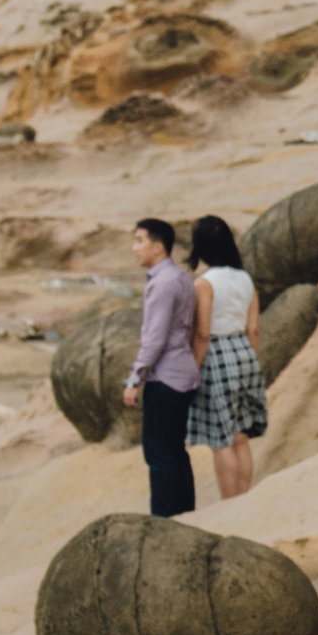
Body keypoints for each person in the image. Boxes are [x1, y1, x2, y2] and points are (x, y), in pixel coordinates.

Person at [183, 214, 268, 500]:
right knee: (241, 436)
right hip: (245, 353)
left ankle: (230, 502)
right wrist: (250, 360)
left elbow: (202, 333)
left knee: (222, 440)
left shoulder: (204, 284)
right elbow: (253, 328)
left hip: (217, 355)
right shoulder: (246, 279)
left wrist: (192, 370)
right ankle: (244, 498)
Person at [121, 217, 199, 517]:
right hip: (183, 373)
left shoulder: (164, 283)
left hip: (166, 377)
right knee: (175, 451)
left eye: (140, 240)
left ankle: (165, 521)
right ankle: (186, 514)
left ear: (158, 246)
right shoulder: (179, 277)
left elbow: (155, 337)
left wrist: (135, 378)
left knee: (160, 454)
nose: (134, 247)